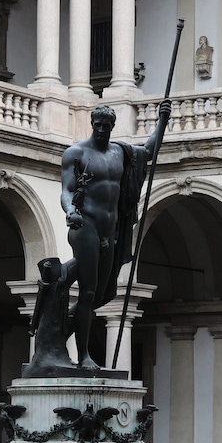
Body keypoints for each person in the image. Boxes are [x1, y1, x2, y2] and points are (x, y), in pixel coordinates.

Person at [58, 101, 168, 369]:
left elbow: (150, 151)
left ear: (112, 127)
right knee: (88, 291)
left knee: (103, 294)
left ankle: (59, 329)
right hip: (85, 226)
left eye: (106, 127)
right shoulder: (76, 153)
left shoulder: (121, 152)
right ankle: (83, 356)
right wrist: (71, 210)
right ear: (92, 124)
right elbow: (67, 190)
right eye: (98, 126)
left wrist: (162, 122)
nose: (102, 130)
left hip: (111, 230)